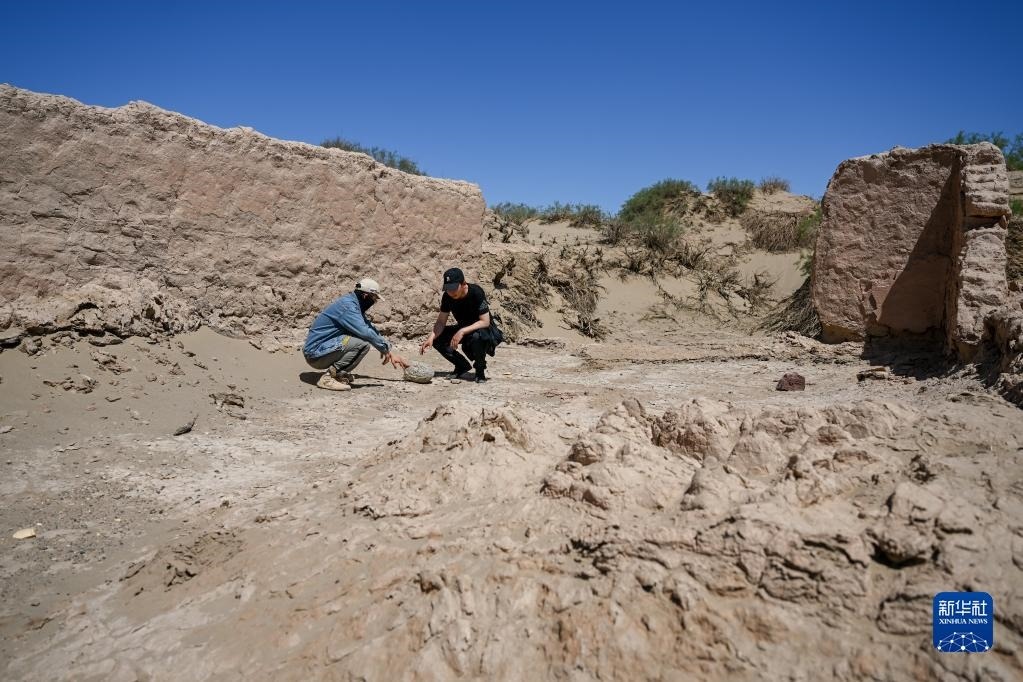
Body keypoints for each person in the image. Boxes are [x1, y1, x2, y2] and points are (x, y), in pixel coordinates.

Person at [303, 278, 409, 391]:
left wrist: (389, 352)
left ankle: (338, 374)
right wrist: (385, 349)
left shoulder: (353, 304)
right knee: (362, 344)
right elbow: (366, 332)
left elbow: (369, 327)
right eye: (374, 298)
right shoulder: (348, 307)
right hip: (315, 354)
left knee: (360, 340)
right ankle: (328, 378)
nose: (374, 302)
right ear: (365, 296)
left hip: (321, 350)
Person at [419, 267, 501, 383]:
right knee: (438, 339)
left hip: (483, 330)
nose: (451, 292)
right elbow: (441, 322)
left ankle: (480, 370)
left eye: (453, 288)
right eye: (448, 289)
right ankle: (461, 365)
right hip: (463, 327)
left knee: (477, 336)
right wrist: (431, 337)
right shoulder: (447, 297)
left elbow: (485, 321)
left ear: (463, 284)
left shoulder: (476, 292)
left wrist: (462, 331)